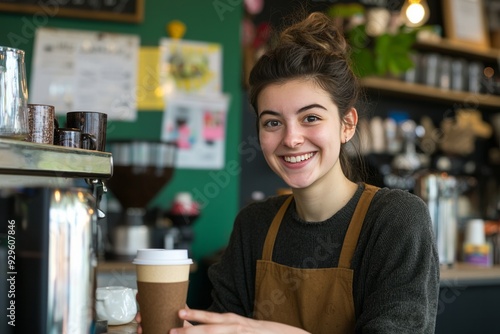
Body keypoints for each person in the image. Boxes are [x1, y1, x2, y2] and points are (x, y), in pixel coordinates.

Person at [136, 11, 440, 334]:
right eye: (272, 122)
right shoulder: (254, 226)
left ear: (347, 125)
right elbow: (226, 327)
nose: (291, 139)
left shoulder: (396, 220)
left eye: (310, 118)